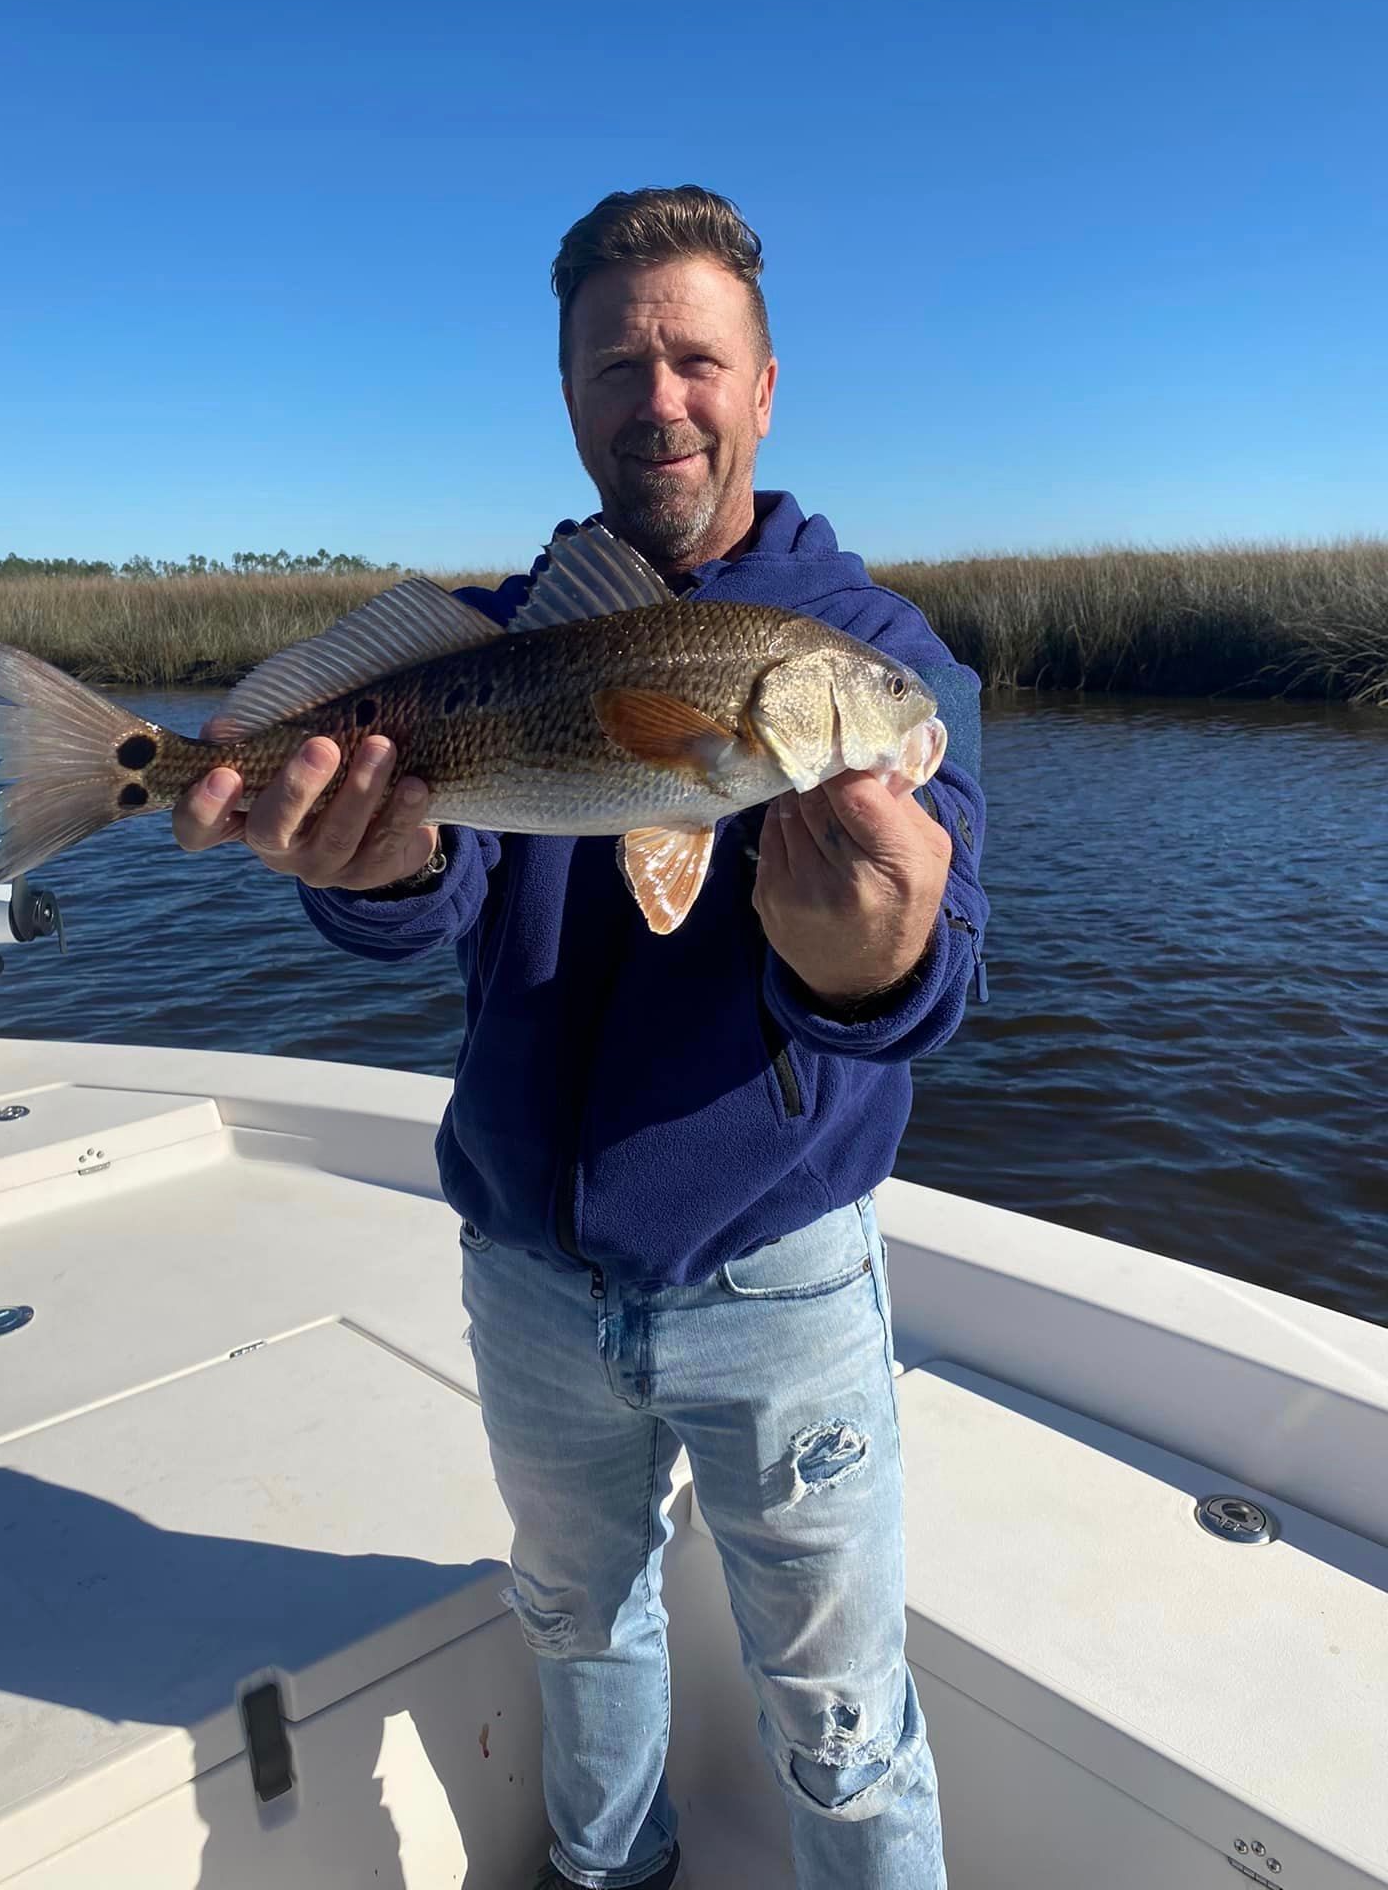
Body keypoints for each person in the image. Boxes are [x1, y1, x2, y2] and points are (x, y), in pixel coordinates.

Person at [174, 186, 988, 1890]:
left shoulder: (878, 656)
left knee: (840, 1709)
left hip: (778, 1284)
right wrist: (369, 868)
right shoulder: (493, 641)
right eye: (618, 364)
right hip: (526, 1272)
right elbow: (435, 902)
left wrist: (867, 958)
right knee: (575, 1624)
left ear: (766, 387)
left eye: (698, 358)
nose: (661, 397)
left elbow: (929, 980)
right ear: (566, 396)